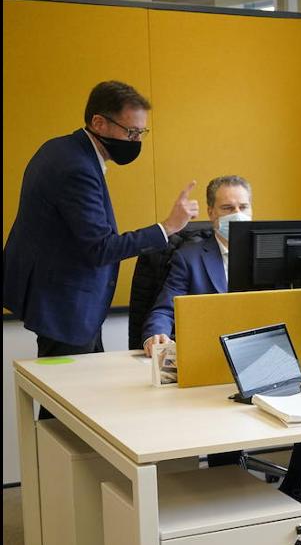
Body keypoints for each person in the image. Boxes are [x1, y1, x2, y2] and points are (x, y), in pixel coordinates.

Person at [142, 175, 301, 528]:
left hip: (266, 355)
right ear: (212, 213)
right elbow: (164, 309)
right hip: (211, 362)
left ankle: (295, 489)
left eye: (244, 207)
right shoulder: (189, 256)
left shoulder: (274, 248)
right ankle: (229, 497)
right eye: (228, 208)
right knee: (222, 417)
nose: (237, 214)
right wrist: (156, 334)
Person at [3, 80, 198, 360]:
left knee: (73, 397)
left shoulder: (61, 149)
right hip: (65, 307)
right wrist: (167, 227)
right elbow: (101, 248)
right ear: (99, 122)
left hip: (65, 300)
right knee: (66, 399)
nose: (137, 142)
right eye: (131, 132)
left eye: (141, 132)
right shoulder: (76, 168)